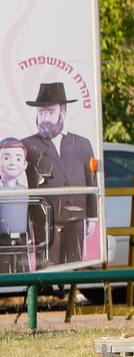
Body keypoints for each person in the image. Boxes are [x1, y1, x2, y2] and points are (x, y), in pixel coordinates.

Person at [22, 81, 97, 265]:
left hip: (76, 219)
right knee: (47, 268)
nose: (45, 118)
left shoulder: (82, 143)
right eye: (41, 113)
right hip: (44, 221)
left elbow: (91, 180)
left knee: (74, 264)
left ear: (62, 112)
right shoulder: (27, 145)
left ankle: (69, 292)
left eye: (50, 112)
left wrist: (92, 215)